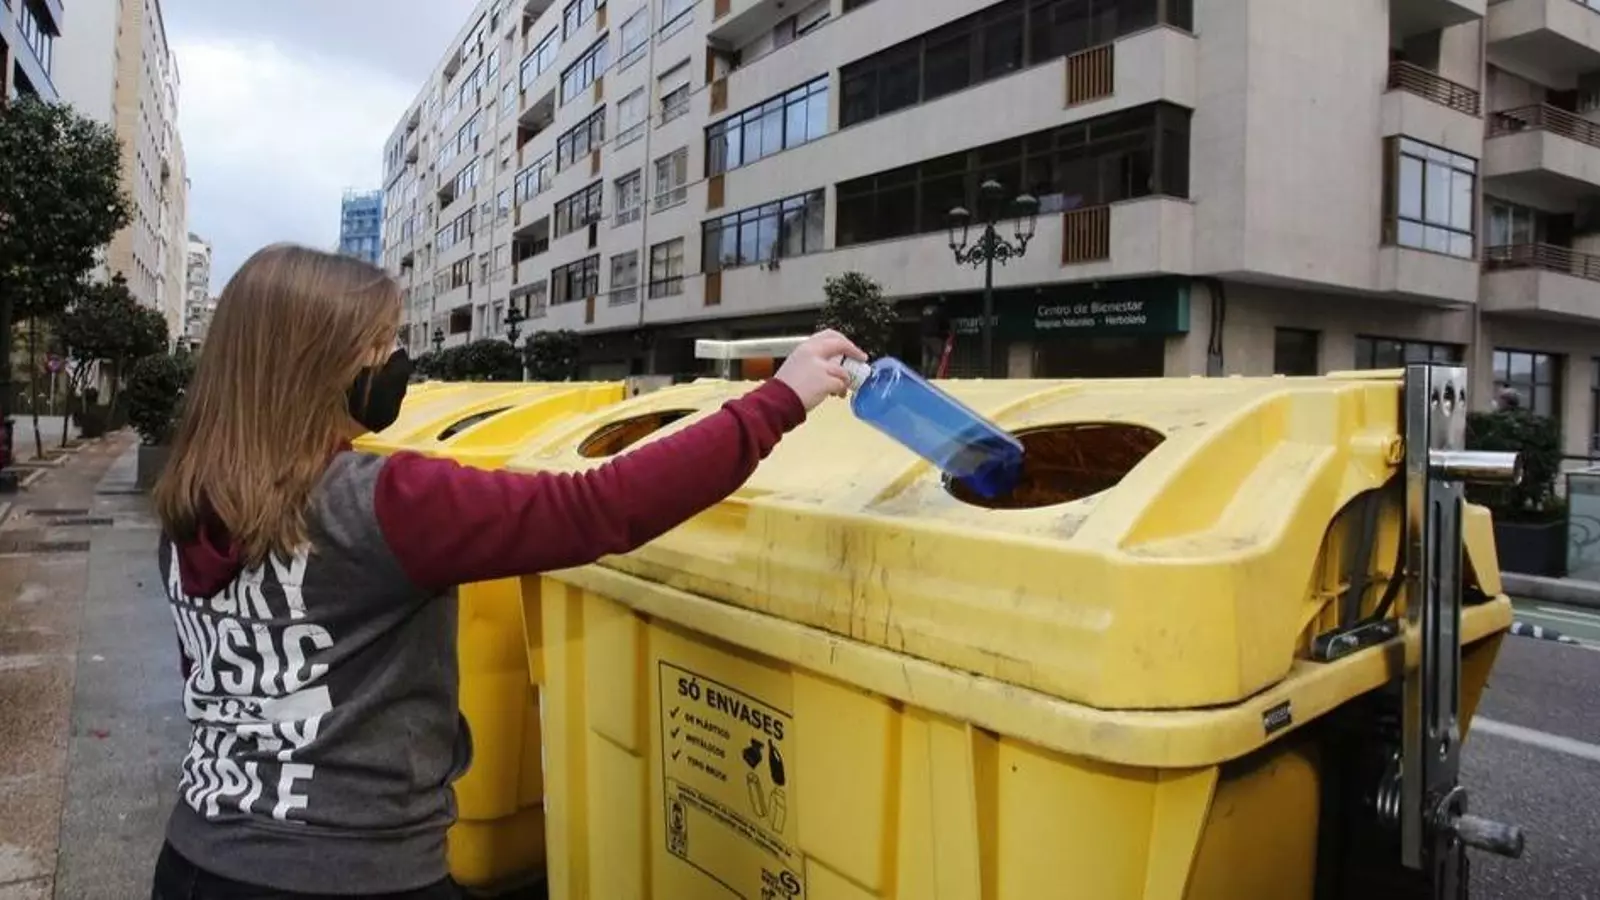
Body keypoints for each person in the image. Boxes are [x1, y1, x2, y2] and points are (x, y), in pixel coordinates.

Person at [148, 244, 863, 898]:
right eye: (381, 343)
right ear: (317, 362)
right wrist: (778, 401)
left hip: (195, 860)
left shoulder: (186, 509)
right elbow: (602, 507)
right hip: (352, 873)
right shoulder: (384, 504)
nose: (395, 361)